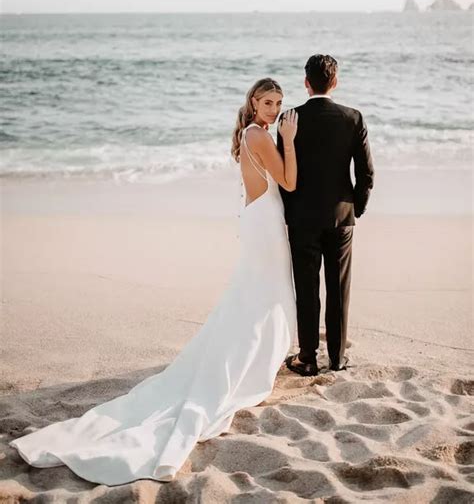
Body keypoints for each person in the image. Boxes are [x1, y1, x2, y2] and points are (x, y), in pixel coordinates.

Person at [9, 78, 299, 485]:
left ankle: (253, 356)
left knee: (255, 295)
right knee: (266, 295)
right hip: (265, 223)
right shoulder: (261, 134)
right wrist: (289, 138)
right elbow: (288, 182)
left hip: (257, 221)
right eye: (267, 102)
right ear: (253, 103)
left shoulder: (252, 133)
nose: (273, 109)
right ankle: (251, 363)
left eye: (279, 103)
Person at [278, 55, 374, 377]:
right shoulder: (353, 118)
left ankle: (307, 358)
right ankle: (337, 358)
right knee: (338, 288)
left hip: (302, 218)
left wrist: (289, 210)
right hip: (341, 217)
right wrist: (355, 209)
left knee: (307, 288)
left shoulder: (289, 119)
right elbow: (367, 174)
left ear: (306, 83)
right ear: (335, 82)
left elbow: (282, 174)